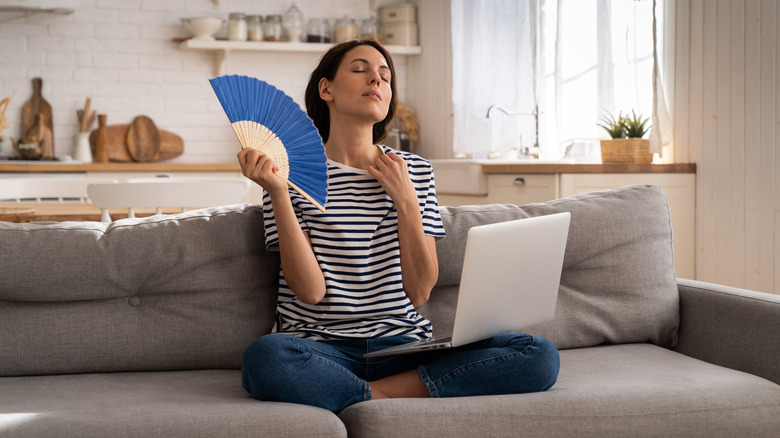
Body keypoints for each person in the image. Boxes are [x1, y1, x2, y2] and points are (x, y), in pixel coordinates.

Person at [237, 38, 559, 414]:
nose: (376, 79)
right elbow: (310, 291)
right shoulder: (287, 175)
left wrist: (406, 200)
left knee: (538, 355)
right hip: (321, 347)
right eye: (360, 70)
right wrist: (277, 193)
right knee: (266, 358)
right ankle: (392, 397)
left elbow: (420, 290)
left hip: (402, 347)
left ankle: (366, 396)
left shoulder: (415, 171)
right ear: (327, 89)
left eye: (385, 76)